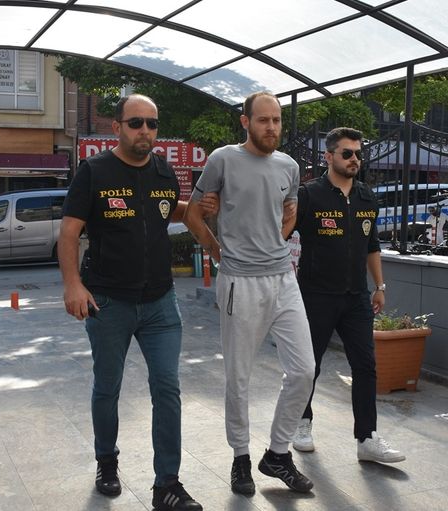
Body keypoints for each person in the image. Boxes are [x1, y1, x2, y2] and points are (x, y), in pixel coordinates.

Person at [58, 94, 215, 511]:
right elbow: (69, 232)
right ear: (117, 127)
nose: (145, 130)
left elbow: (166, 210)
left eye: (152, 123)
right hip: (109, 301)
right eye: (136, 123)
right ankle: (106, 462)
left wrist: (200, 212)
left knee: (167, 388)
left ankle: (167, 484)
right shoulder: (94, 172)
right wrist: (73, 285)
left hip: (161, 302)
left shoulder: (164, 171)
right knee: (107, 387)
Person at [183, 91, 316, 496]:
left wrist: (278, 237)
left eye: (276, 120)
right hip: (240, 281)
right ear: (245, 122)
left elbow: (289, 212)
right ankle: (240, 456)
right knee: (238, 376)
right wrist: (214, 248)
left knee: (304, 370)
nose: (272, 127)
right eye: (263, 120)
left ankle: (277, 454)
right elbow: (192, 213)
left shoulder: (289, 166)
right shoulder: (223, 159)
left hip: (283, 278)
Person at [286, 127, 405, 465]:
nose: (355, 159)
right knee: (309, 366)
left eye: (358, 154)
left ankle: (367, 438)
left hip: (356, 298)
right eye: (347, 153)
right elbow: (281, 235)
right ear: (329, 156)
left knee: (365, 365)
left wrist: (379, 286)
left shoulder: (367, 197)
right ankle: (302, 422)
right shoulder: (309, 195)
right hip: (316, 296)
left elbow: (372, 245)